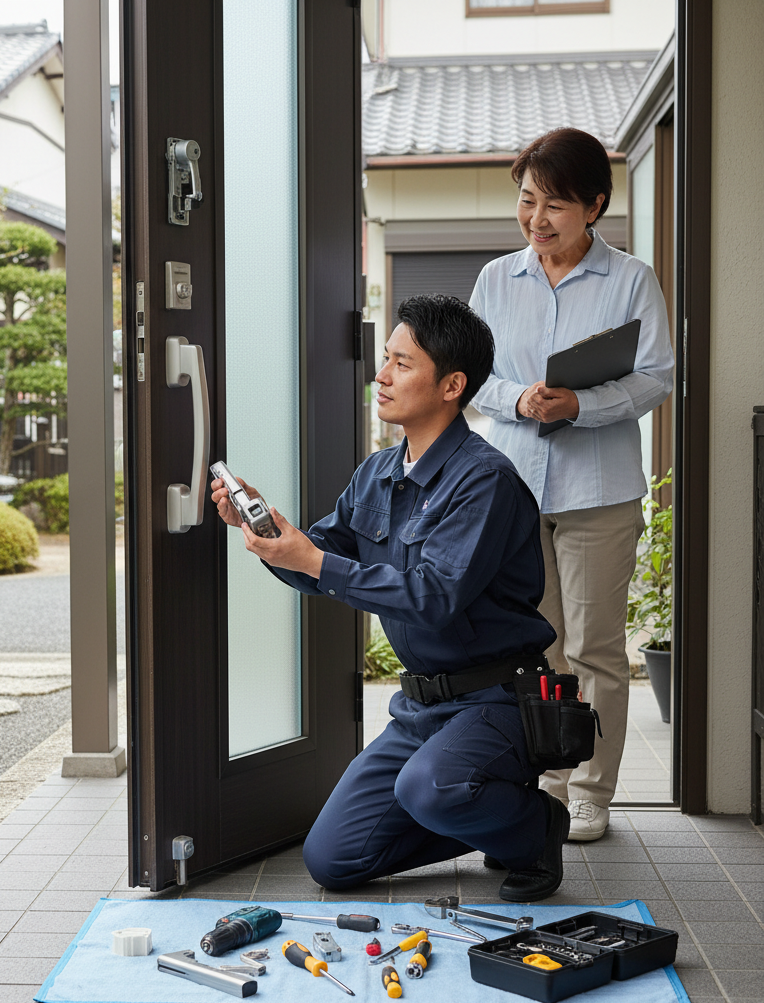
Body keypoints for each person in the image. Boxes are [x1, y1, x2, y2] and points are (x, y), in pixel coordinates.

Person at [211, 293, 567, 903]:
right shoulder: (377, 472)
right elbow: (317, 561)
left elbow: (434, 598)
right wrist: (274, 539)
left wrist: (315, 559)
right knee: (334, 860)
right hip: (421, 707)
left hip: (497, 700)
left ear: (452, 384)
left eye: (402, 364)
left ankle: (535, 829)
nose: (381, 375)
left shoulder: (485, 481)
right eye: (385, 359)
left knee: (432, 788)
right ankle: (473, 814)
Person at [470, 127, 674, 842]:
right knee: (538, 646)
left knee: (594, 649)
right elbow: (472, 378)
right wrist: (518, 399)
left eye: (555, 204)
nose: (537, 219)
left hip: (600, 492)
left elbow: (656, 376)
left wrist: (582, 405)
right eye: (528, 201)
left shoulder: (631, 279)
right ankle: (547, 781)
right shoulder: (497, 279)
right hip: (518, 489)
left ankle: (590, 791)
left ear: (593, 205)